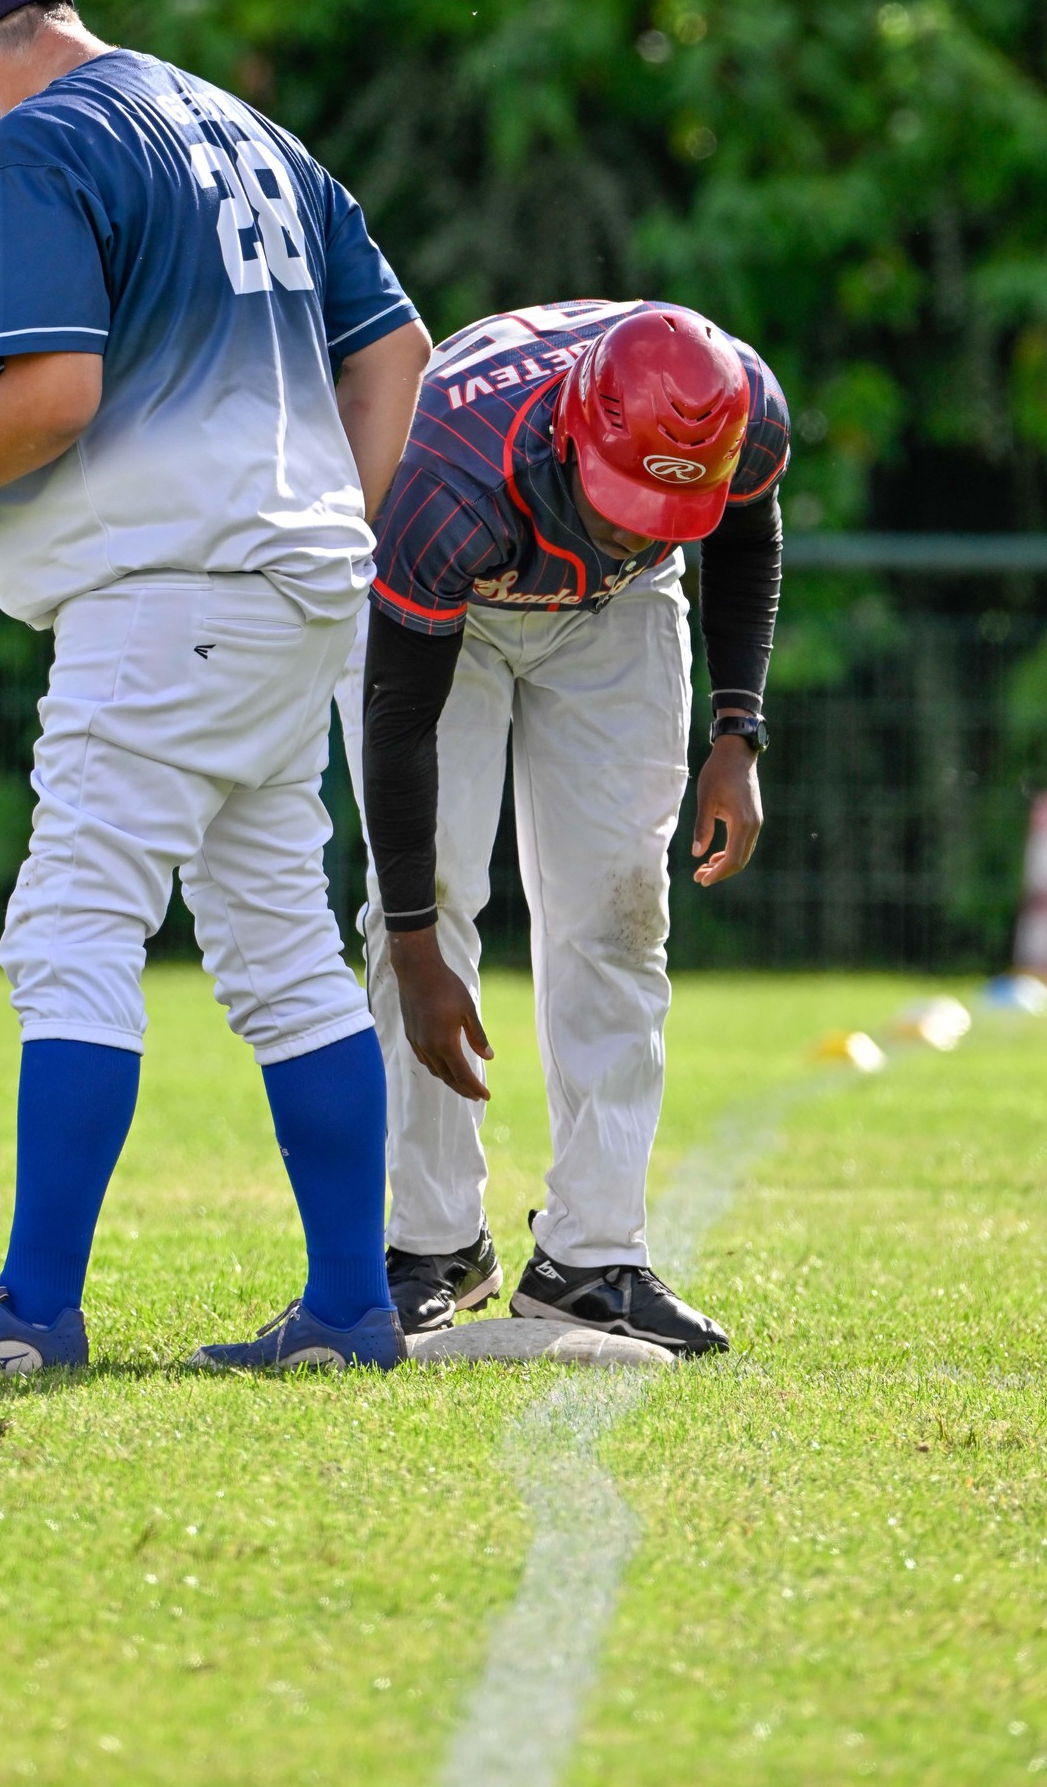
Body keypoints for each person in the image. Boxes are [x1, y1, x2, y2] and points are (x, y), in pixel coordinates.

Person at [0, 0, 431, 1376]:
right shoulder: (256, 133)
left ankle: (34, 1310)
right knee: (281, 942)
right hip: (301, 584)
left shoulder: (39, 139)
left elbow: (55, 393)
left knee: (73, 927)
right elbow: (396, 351)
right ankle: (350, 1310)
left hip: (168, 589)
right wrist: (332, 522)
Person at [335, 299, 789, 1355]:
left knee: (621, 916)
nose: (635, 525)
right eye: (622, 498)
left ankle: (593, 1258)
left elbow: (749, 539)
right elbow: (396, 721)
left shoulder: (741, 409)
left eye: (662, 510)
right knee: (426, 901)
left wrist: (738, 731)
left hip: (621, 619)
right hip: (462, 608)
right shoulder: (439, 469)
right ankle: (427, 1243)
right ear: (572, 431)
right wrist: (413, 946)